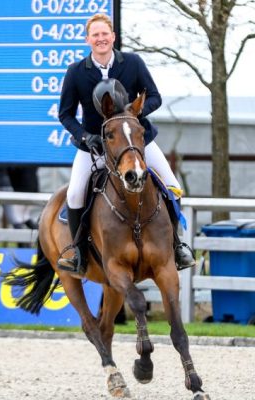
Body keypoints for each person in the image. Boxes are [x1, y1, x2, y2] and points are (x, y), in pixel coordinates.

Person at [56, 13, 196, 276]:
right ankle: (78, 253)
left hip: (133, 143)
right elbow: (65, 114)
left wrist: (134, 116)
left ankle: (177, 246)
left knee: (174, 187)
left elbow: (155, 97)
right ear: (88, 40)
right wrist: (86, 137)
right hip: (94, 147)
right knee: (74, 194)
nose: (100, 39)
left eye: (104, 34)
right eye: (95, 35)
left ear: (113, 37)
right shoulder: (76, 72)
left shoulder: (133, 63)